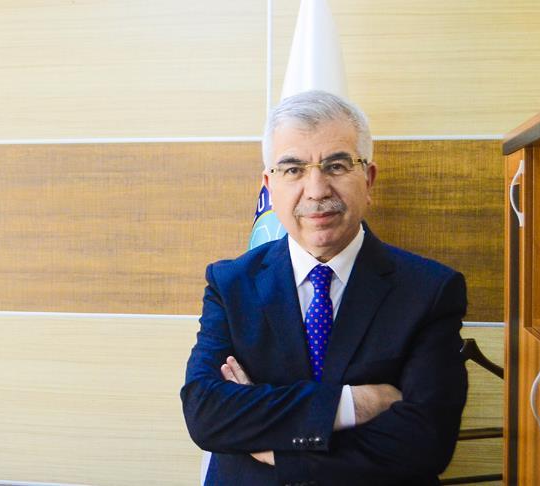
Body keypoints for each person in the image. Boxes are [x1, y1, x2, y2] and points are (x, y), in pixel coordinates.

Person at [181, 90, 468, 485]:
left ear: (368, 179)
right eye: (293, 169)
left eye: (336, 166)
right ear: (269, 186)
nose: (316, 190)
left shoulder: (430, 291)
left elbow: (426, 441)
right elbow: (206, 413)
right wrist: (353, 403)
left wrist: (278, 451)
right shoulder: (231, 284)